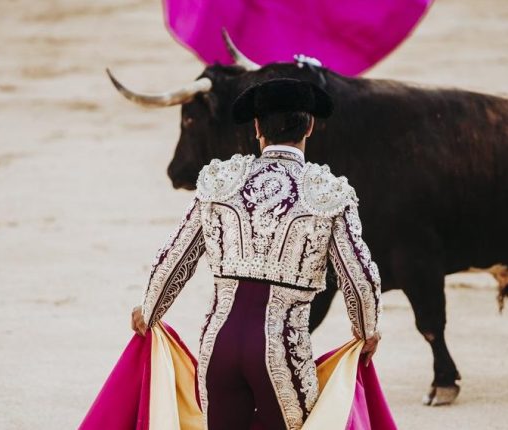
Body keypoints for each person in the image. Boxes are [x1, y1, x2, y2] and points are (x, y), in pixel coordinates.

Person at [130, 78, 382, 430]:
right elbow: (359, 278)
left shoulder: (221, 181)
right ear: (309, 126)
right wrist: (367, 331)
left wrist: (150, 308)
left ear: (257, 127)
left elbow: (175, 256)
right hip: (282, 350)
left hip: (217, 346)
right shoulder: (327, 192)